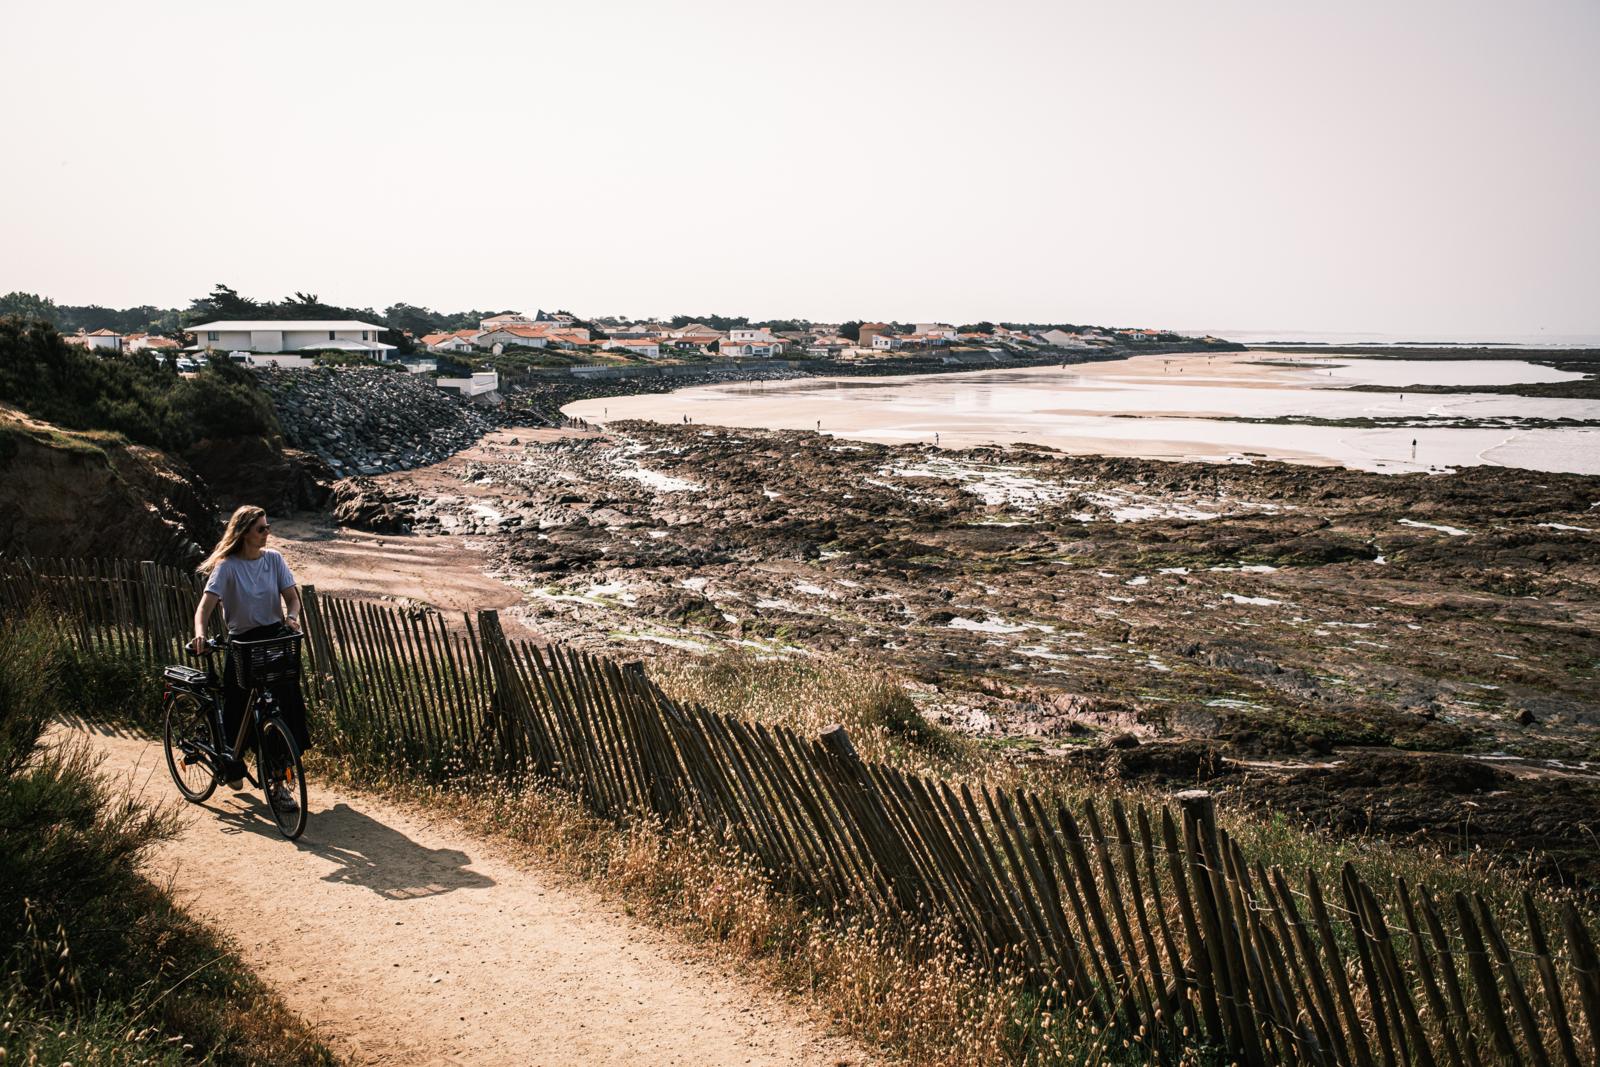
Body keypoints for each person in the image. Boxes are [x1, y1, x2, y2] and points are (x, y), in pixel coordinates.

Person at [190, 506, 308, 804]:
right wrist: (200, 633)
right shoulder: (227, 567)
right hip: (243, 644)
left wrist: (292, 618)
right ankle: (232, 762)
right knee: (236, 706)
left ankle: (279, 780)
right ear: (244, 533)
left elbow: (293, 599)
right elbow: (204, 608)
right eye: (261, 529)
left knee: (286, 701)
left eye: (267, 527)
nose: (268, 533)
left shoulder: (274, 560)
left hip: (274, 639)